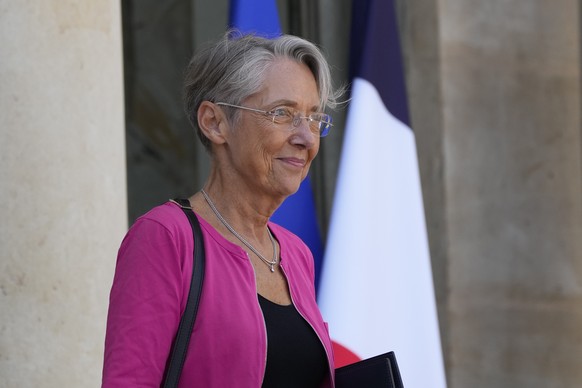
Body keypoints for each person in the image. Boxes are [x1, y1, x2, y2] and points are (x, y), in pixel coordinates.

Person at [102, 30, 342, 387]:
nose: (306, 137)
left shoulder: (296, 254)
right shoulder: (165, 238)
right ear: (215, 123)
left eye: (313, 118)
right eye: (282, 113)